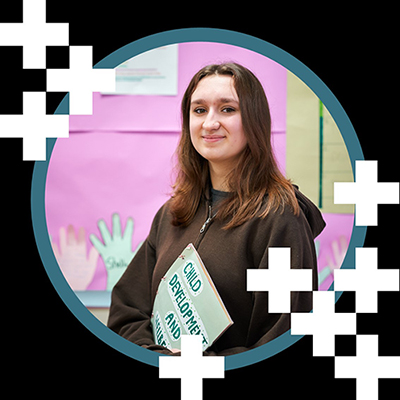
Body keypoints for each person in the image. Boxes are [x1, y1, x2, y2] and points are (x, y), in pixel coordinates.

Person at [107, 62, 325, 356]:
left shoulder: (279, 219)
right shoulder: (172, 213)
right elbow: (127, 312)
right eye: (199, 110)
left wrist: (197, 365)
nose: (209, 123)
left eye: (227, 109)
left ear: (254, 121)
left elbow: (281, 338)